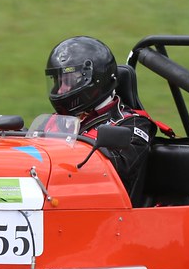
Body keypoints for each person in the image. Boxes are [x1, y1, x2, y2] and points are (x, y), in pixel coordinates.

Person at [45, 36, 158, 206]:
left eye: (68, 81)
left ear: (96, 79)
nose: (61, 90)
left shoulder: (133, 125)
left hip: (106, 214)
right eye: (58, 81)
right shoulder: (58, 121)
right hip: (56, 201)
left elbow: (115, 170)